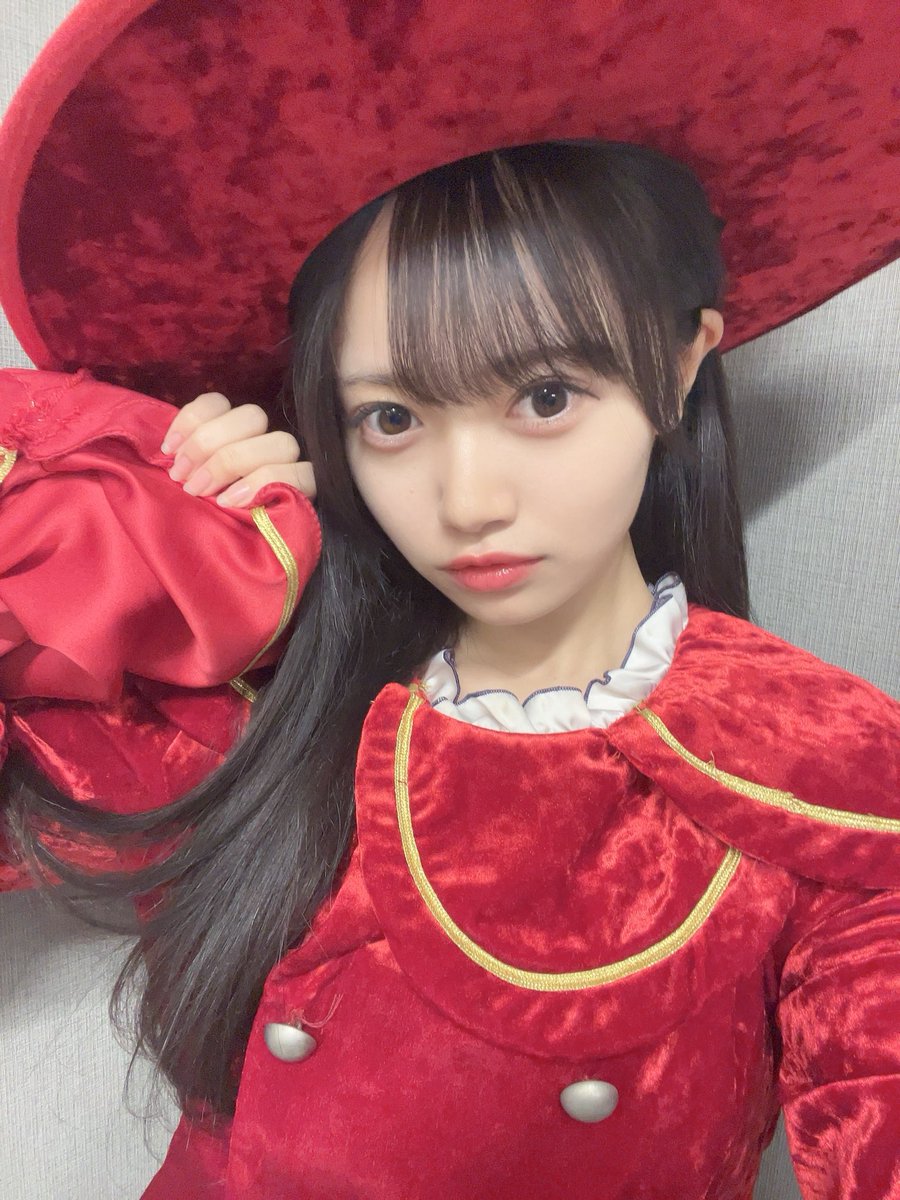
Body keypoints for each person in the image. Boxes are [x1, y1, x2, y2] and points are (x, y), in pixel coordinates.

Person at [0, 4, 898, 1199]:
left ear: (680, 364)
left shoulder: (824, 776)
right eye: (392, 418)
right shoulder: (277, 699)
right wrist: (126, 522)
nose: (468, 501)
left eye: (544, 397)